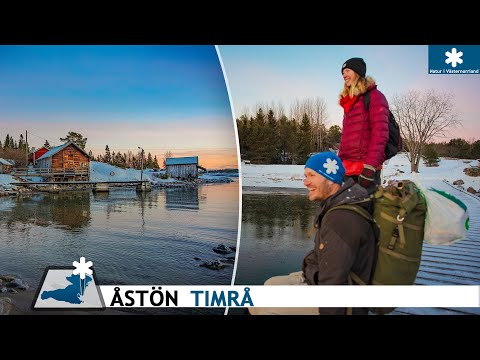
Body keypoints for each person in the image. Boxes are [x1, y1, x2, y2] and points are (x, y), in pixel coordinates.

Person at [248, 152, 376, 315]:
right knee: (269, 285)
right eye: (305, 175)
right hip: (318, 280)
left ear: (330, 179)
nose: (306, 182)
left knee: (265, 308)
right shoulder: (336, 206)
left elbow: (333, 284)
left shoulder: (341, 219)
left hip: (345, 303)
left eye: (312, 175)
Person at [338, 57, 389, 194]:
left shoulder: (374, 97)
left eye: (347, 70)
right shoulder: (349, 101)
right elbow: (347, 138)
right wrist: (339, 162)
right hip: (347, 170)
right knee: (348, 213)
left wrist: (370, 167)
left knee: (366, 212)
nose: (344, 75)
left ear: (357, 72)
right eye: (343, 72)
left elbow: (380, 134)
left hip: (365, 170)